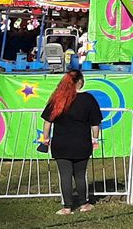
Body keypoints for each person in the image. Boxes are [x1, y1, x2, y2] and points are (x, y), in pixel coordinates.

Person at [40, 69, 103, 215]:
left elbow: (47, 122)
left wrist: (46, 139)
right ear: (80, 82)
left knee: (65, 175)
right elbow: (95, 124)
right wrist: (95, 139)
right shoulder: (88, 99)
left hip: (61, 144)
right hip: (81, 143)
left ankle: (66, 207)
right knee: (80, 175)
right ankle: (84, 204)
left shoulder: (58, 99)